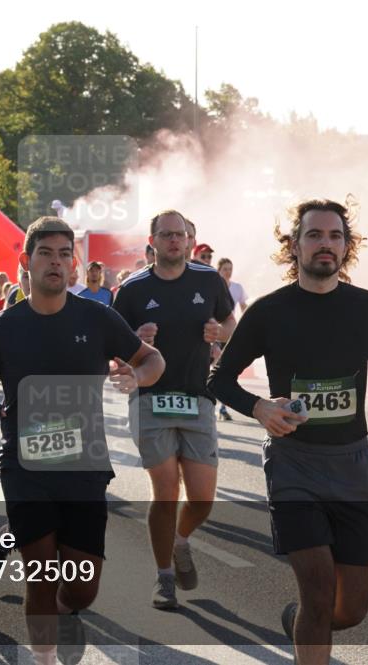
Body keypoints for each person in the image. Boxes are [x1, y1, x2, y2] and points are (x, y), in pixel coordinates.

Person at [0, 216, 165, 665]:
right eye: (45, 253)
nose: (56, 262)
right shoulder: (2, 327)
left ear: (74, 265)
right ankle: (44, 656)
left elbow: (151, 359)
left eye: (63, 254)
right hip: (24, 465)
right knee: (42, 573)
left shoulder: (96, 318)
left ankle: (56, 605)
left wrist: (138, 375)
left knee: (81, 589)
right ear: (26, 262)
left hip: (84, 463)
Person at [209, 197, 368, 664]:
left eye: (335, 236)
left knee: (350, 609)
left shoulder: (367, 306)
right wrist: (258, 407)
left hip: (353, 466)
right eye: (314, 235)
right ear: (294, 246)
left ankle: (299, 620)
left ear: (346, 247)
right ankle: (308, 620)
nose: (325, 244)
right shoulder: (269, 311)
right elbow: (217, 379)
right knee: (319, 595)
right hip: (294, 465)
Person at [113, 209, 236, 609]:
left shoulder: (208, 280)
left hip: (198, 396)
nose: (173, 240)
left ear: (188, 240)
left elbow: (232, 324)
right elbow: (113, 349)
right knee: (165, 489)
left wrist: (220, 333)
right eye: (166, 234)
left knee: (202, 499)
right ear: (152, 242)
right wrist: (133, 337)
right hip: (150, 397)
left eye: (179, 234)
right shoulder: (132, 289)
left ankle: (180, 540)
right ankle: (164, 577)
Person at [214, 257, 249, 422]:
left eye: (230, 268)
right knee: (208, 369)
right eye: (225, 269)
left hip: (229, 333)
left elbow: (244, 308)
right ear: (219, 270)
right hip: (213, 333)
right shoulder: (213, 286)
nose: (228, 272)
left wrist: (248, 326)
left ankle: (222, 407)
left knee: (224, 369)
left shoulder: (237, 288)